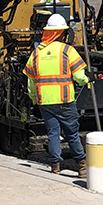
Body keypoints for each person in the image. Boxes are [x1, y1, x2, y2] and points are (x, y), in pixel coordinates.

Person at [23, 14, 90, 177]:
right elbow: (80, 77)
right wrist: (87, 81)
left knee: (53, 133)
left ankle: (55, 166)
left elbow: (30, 82)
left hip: (45, 101)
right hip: (64, 100)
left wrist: (34, 99)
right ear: (61, 33)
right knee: (72, 133)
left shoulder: (36, 54)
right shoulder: (68, 50)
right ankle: (82, 165)